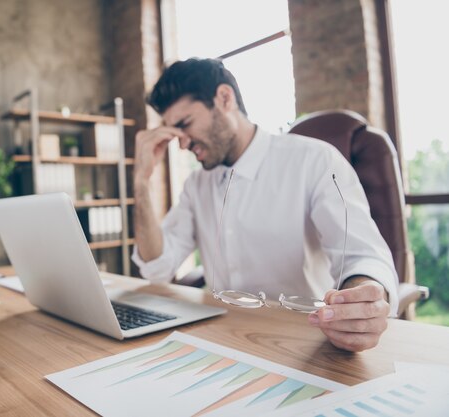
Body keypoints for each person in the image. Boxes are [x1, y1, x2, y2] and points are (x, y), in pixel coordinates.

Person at [131, 58, 398, 352]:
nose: (181, 144)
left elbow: (363, 257)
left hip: (304, 343)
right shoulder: (196, 186)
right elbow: (156, 268)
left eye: (185, 125)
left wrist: (360, 301)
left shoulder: (314, 160)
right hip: (223, 341)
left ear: (224, 99)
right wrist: (141, 183)